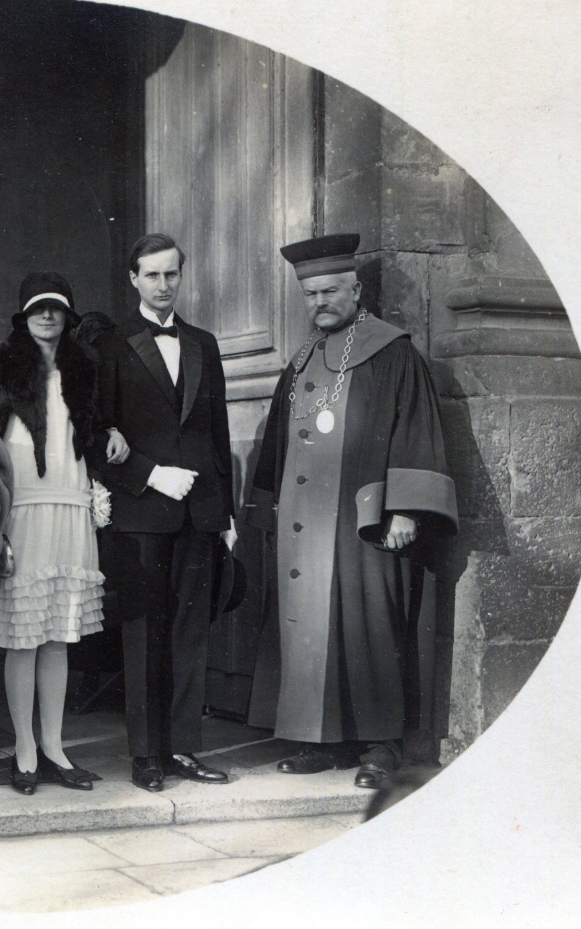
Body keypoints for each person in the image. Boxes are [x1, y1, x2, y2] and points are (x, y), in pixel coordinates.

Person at [244, 233, 458, 789]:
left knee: (370, 627)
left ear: (356, 290)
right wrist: (265, 510)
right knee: (311, 628)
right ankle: (320, 742)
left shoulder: (392, 353)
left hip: (363, 521)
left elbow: (415, 430)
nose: (320, 302)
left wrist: (406, 510)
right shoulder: (301, 360)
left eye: (331, 291)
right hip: (306, 523)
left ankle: (380, 746)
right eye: (311, 293)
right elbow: (278, 444)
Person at [0, 271, 119, 794]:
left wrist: (111, 433)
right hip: (21, 508)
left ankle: (54, 747)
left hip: (68, 504)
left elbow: (93, 425)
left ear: (68, 315)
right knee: (23, 638)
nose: (48, 316)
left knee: (58, 636)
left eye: (57, 308)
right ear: (23, 317)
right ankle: (24, 749)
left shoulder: (85, 367)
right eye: (38, 308)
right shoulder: (2, 366)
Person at [97, 232, 237, 792]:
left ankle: (182, 748)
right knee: (143, 636)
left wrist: (226, 515)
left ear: (182, 275)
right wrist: (151, 475)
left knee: (189, 636)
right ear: (133, 278)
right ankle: (145, 755)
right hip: (141, 514)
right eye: (151, 275)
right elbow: (96, 434)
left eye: (171, 274)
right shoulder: (111, 345)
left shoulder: (204, 343)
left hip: (199, 513)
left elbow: (218, 432)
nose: (162, 285)